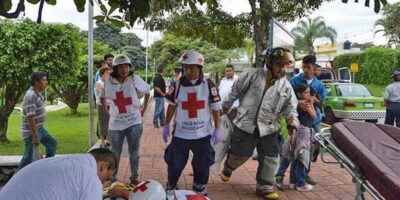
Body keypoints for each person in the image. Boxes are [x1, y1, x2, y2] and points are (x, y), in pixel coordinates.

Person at [220, 47, 299, 199]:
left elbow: (291, 107)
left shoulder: (286, 86)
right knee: (239, 155)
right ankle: (229, 167)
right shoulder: (251, 75)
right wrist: (225, 106)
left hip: (269, 127)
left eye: (285, 65)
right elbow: (235, 92)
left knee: (270, 157)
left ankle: (264, 186)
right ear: (269, 63)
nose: (282, 69)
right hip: (246, 124)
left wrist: (292, 122)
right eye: (279, 65)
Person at [162, 50, 222, 195]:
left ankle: (199, 187)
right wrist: (166, 124)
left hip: (202, 134)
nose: (188, 71)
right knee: (175, 163)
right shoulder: (176, 85)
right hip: (181, 134)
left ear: (200, 68)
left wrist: (217, 128)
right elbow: (171, 105)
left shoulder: (208, 85)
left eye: (192, 67)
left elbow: (215, 108)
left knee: (202, 164)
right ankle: (171, 185)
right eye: (185, 67)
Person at [101, 54, 150, 185]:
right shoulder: (108, 81)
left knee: (134, 152)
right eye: (121, 67)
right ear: (115, 68)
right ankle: (112, 178)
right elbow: (102, 97)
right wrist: (107, 111)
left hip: (134, 122)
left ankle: (134, 177)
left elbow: (147, 91)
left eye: (126, 66)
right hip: (115, 125)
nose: (124, 69)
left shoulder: (134, 79)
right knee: (114, 153)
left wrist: (143, 110)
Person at [0, 148, 117, 200]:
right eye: (106, 178)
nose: (103, 183)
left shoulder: (67, 161)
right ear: (102, 166)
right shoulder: (90, 177)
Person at [275, 84, 322, 192]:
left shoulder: (296, 103)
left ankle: (291, 181)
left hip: (297, 131)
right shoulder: (303, 104)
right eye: (306, 92)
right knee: (300, 157)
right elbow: (314, 117)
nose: (309, 95)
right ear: (299, 94)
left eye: (309, 92)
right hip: (300, 132)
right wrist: (311, 103)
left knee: (291, 157)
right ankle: (299, 183)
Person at [290, 55, 326, 183]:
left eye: (308, 67)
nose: (305, 70)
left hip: (314, 121)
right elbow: (288, 99)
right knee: (296, 148)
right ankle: (295, 176)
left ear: (314, 68)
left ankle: (305, 173)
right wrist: (299, 102)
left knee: (311, 148)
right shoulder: (294, 81)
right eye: (304, 67)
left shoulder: (319, 84)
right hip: (298, 120)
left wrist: (315, 100)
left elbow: (322, 102)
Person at [18, 72, 57, 169]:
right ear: (36, 82)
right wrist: (34, 136)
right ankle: (16, 177)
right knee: (28, 158)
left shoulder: (37, 93)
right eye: (44, 80)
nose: (46, 82)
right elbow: (30, 117)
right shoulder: (31, 96)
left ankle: (45, 167)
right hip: (32, 131)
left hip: (39, 128)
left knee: (52, 143)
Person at [213, 64, 239, 171]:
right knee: (222, 138)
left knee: (232, 139)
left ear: (233, 71)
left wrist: (232, 109)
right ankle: (216, 163)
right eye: (226, 71)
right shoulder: (223, 81)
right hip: (223, 112)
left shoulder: (238, 80)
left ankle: (228, 165)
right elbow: (219, 95)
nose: (228, 72)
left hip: (234, 112)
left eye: (230, 71)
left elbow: (238, 97)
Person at [95, 64, 112, 145]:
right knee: (102, 123)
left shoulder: (107, 82)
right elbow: (100, 95)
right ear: (102, 74)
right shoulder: (99, 83)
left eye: (109, 73)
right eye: (107, 73)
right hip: (101, 105)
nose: (108, 75)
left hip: (108, 104)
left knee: (109, 122)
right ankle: (102, 141)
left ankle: (107, 139)